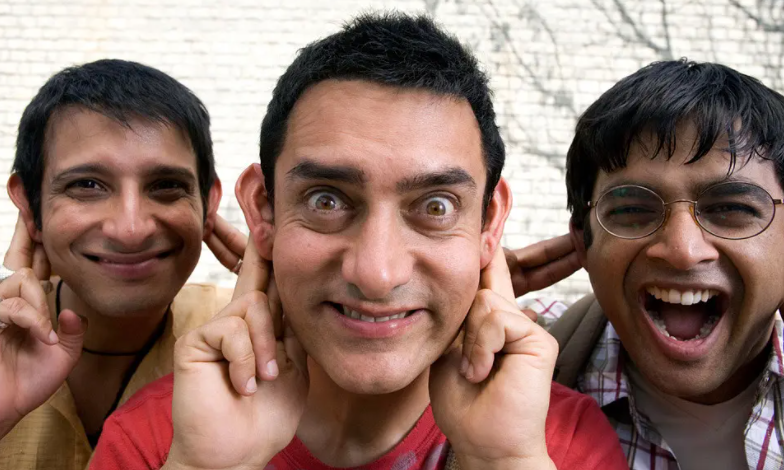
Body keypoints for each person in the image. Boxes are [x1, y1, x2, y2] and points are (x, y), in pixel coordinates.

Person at [89, 13, 627, 470]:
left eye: (436, 207)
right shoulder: (164, 439)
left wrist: (503, 460)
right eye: (327, 201)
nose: (377, 273)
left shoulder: (555, 445)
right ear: (263, 210)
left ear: (488, 224)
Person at [507, 59, 784, 469]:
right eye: (633, 209)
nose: (682, 250)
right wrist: (442, 318)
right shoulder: (516, 364)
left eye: (731, 208)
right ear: (583, 242)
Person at [0, 59, 246, 470]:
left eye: (166, 186)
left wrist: (297, 301)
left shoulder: (249, 337)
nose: (131, 230)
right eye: (87, 185)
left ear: (208, 203)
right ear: (29, 204)